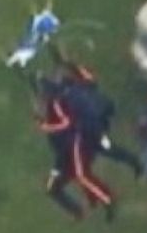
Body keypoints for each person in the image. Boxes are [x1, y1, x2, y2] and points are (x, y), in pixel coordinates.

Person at [38, 64, 116, 222]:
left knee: (82, 175)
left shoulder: (58, 104)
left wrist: (45, 126)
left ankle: (108, 200)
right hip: (64, 154)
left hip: (76, 146)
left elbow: (66, 122)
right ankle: (78, 211)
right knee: (52, 187)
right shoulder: (57, 102)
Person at [62, 61, 142, 178]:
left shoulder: (72, 99)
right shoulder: (85, 86)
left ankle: (134, 162)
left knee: (107, 148)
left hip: (96, 130)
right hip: (99, 122)